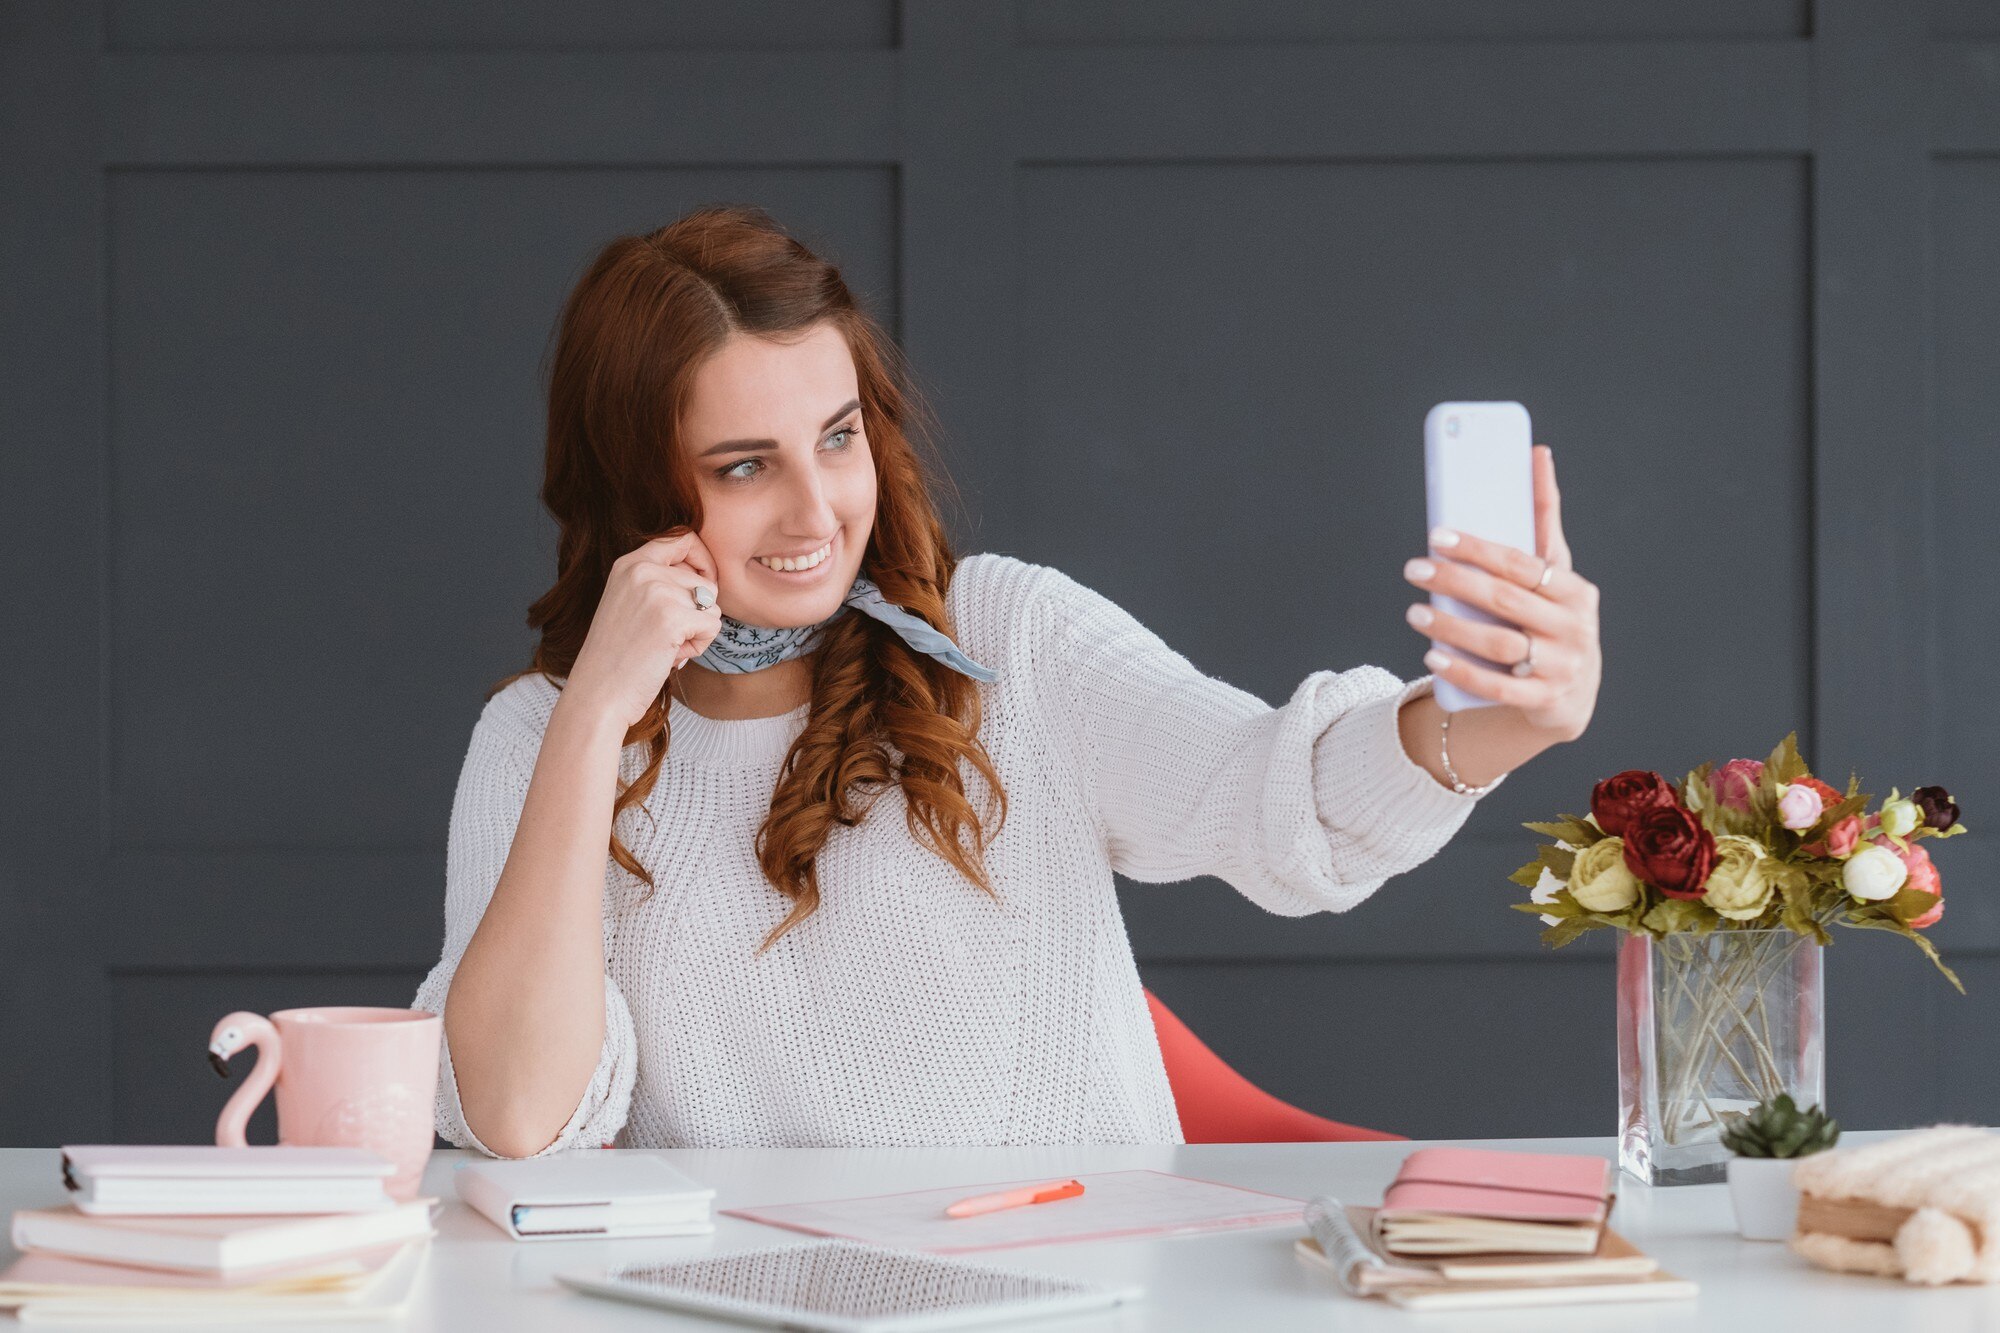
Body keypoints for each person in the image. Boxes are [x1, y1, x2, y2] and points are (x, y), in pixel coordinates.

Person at [414, 204, 1603, 1159]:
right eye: (741, 468)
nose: (817, 511)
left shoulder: (1001, 634)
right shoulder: (537, 739)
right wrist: (592, 724)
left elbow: (1271, 800)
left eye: (837, 438)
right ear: (635, 492)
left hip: (1075, 1298)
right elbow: (517, 1115)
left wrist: (1488, 718)